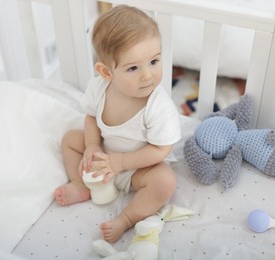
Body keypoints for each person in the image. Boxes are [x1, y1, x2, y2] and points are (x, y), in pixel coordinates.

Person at [53, 4, 181, 243]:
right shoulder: (99, 89)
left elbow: (162, 149)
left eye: (154, 61)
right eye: (133, 68)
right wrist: (92, 147)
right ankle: (82, 183)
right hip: (102, 157)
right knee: (71, 139)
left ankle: (126, 218)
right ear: (106, 72)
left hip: (138, 167)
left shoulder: (158, 107)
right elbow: (91, 117)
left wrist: (121, 162)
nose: (147, 75)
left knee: (165, 181)